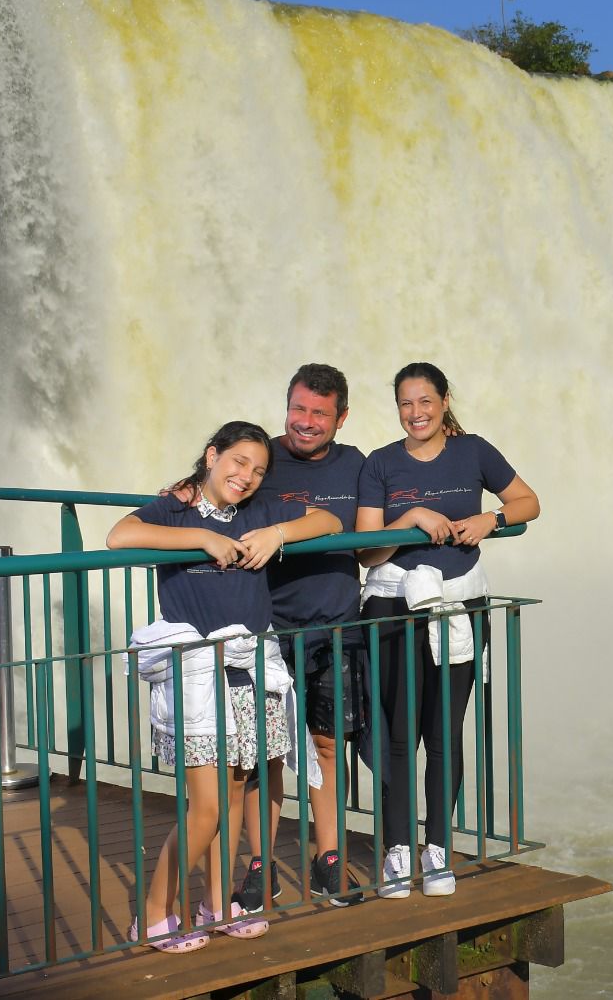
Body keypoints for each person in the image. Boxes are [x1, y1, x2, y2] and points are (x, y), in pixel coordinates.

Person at [110, 421, 341, 952]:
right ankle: (153, 914)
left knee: (237, 791)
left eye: (258, 470)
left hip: (249, 668)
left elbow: (328, 519)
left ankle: (217, 903)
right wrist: (201, 537)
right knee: (208, 806)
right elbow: (120, 536)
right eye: (237, 462)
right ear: (211, 456)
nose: (246, 476)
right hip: (195, 673)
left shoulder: (258, 511)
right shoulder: (176, 508)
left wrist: (278, 533)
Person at [355, 363, 538, 898]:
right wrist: (409, 516)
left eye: (426, 402)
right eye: (406, 404)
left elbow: (528, 501)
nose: (416, 413)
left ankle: (437, 850)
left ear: (444, 401)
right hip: (393, 607)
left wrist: (492, 521)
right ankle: (395, 851)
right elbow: (366, 550)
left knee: (443, 732)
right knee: (396, 734)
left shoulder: (474, 451)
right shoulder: (380, 464)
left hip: (460, 605)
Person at [239, 364, 368, 910]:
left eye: (319, 412)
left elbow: (367, 520)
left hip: (334, 626)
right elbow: (212, 486)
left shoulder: (358, 464)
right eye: (298, 408)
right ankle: (260, 866)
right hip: (267, 627)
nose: (306, 421)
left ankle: (327, 860)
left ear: (341, 417)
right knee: (263, 753)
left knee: (327, 745)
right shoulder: (260, 459)